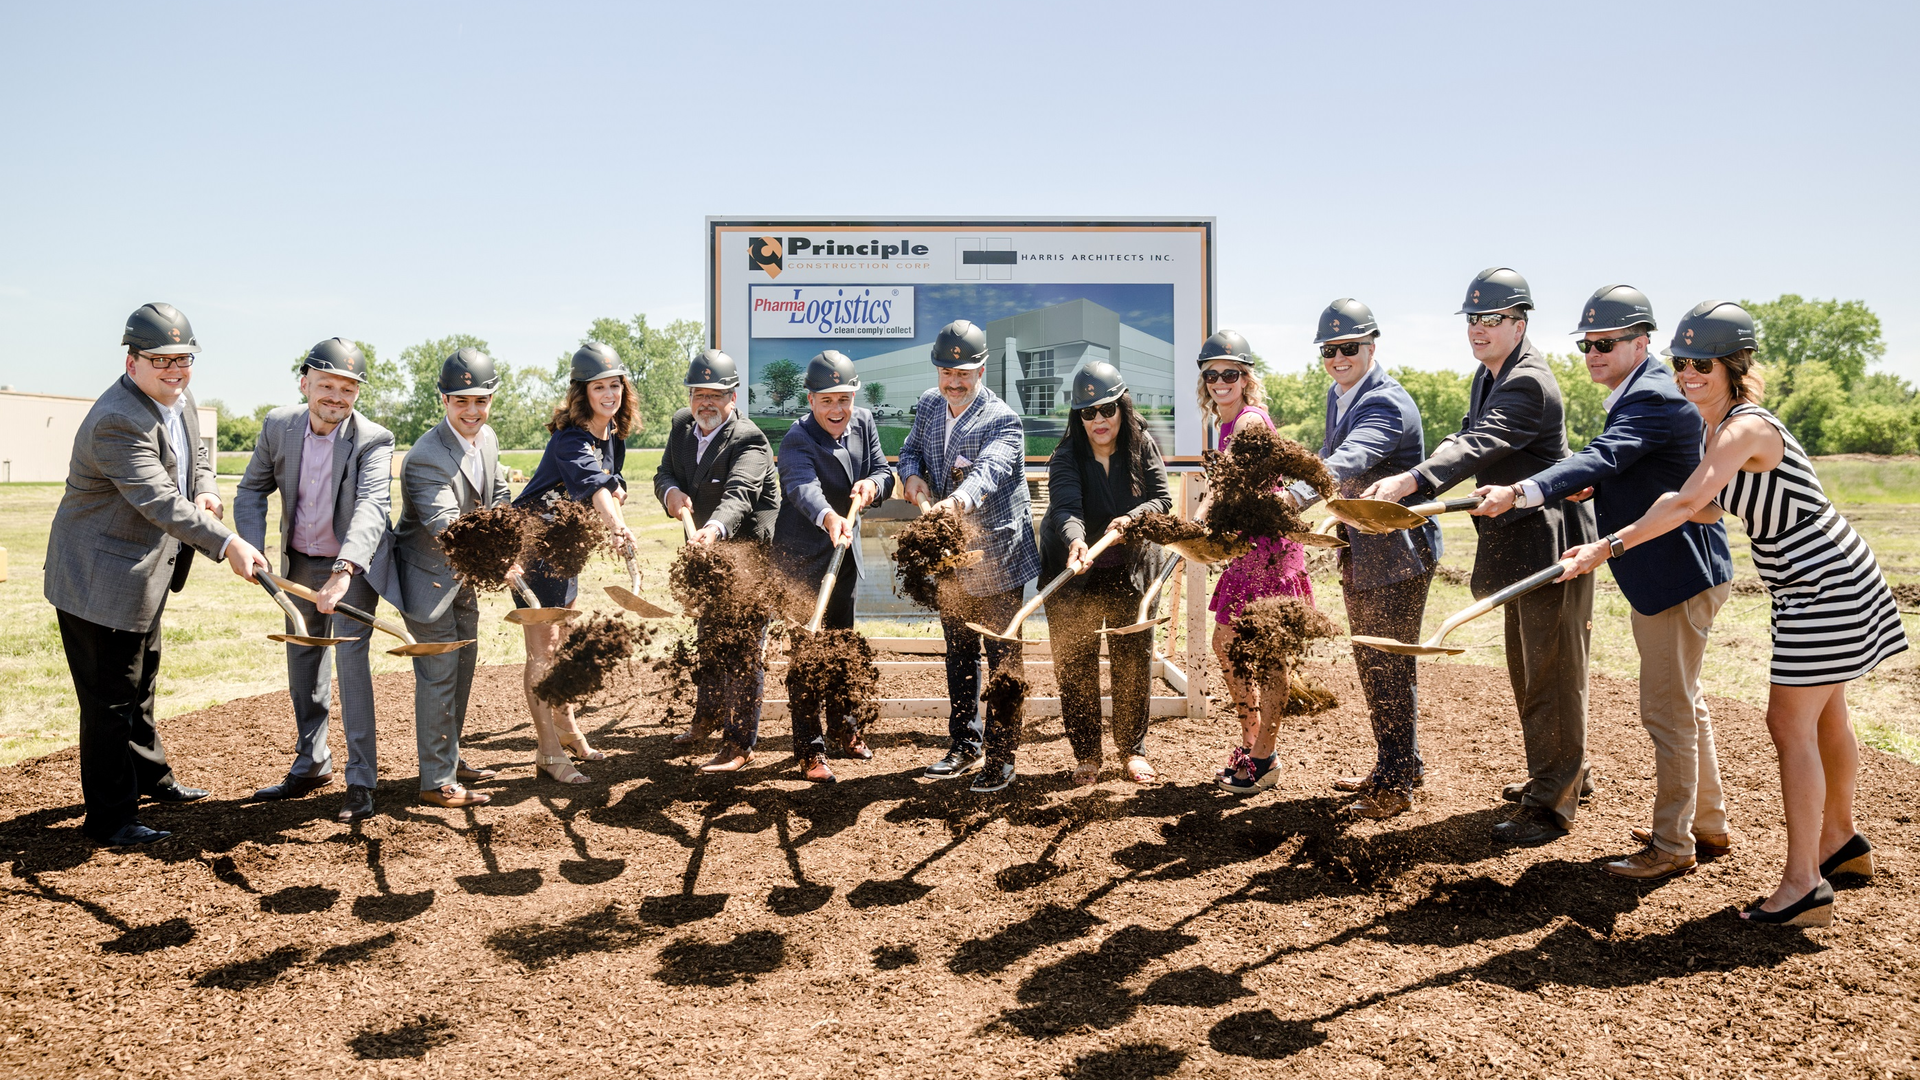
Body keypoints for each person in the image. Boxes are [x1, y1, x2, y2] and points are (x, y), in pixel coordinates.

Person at [1558, 301, 1907, 926]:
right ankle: (1842, 842)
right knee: (1827, 716)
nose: (1688, 374)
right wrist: (1616, 501)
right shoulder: (1714, 428)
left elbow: (1690, 498)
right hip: (1809, 582)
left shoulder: (1744, 427)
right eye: (1681, 361)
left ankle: (1803, 885)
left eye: (1702, 364)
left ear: (1734, 367)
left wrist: (1607, 545)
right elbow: (1708, 510)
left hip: (1824, 581)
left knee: (1788, 725)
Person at [1473, 286, 1734, 879]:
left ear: (1641, 343)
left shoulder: (1651, 394)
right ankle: (1708, 824)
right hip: (1678, 568)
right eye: (1587, 343)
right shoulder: (1640, 391)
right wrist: (1602, 488)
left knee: (1666, 712)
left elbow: (1609, 454)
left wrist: (1523, 489)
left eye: (1606, 342)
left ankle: (1672, 845)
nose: (1593, 353)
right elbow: (1628, 466)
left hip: (1674, 572)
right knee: (1685, 704)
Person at [1363, 268, 1598, 844]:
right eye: (1472, 319)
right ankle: (1562, 774)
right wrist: (1416, 480)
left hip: (1550, 537)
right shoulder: (1490, 374)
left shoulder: (1528, 383)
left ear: (1520, 323)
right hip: (1517, 537)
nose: (1478, 329)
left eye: (1491, 319)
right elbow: (1466, 438)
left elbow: (1478, 443)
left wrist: (1410, 481)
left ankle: (1550, 805)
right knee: (1530, 666)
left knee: (1550, 671)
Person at [44, 302, 272, 846]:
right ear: (132, 362)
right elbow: (159, 502)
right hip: (99, 580)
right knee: (109, 704)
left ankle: (153, 780)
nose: (175, 370)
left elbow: (197, 463)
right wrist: (230, 543)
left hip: (142, 575)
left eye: (183, 358)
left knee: (140, 683)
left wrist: (210, 490)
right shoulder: (117, 420)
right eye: (161, 360)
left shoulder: (181, 398)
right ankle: (111, 819)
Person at [1282, 301, 1438, 819]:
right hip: (1363, 548)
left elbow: (1350, 458)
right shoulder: (1340, 393)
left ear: (1372, 346)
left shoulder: (1385, 404)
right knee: (1373, 663)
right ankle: (1399, 764)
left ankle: (1395, 787)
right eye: (1330, 350)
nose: (1338, 357)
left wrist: (1295, 496)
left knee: (1388, 663)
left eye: (1349, 347)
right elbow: (1334, 453)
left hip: (1397, 552)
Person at [235, 338, 397, 822]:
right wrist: (250, 547)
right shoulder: (278, 425)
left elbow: (372, 508)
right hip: (301, 560)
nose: (336, 397)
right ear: (305, 383)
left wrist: (345, 571)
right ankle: (312, 763)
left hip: (355, 565)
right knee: (304, 660)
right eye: (326, 385)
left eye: (347, 389)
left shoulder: (374, 439)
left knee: (349, 665)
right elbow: (250, 489)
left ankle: (361, 779)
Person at [895, 320, 1040, 792]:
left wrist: (952, 506)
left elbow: (988, 472)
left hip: (998, 554)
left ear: (982, 369)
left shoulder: (1002, 420)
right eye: (946, 371)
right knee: (958, 653)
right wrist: (913, 479)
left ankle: (1002, 754)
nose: (954, 382)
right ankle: (965, 744)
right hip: (950, 559)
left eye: (965, 372)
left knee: (1002, 658)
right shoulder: (930, 405)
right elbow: (911, 450)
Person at [390, 348, 514, 809]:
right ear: (443, 400)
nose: (472, 410)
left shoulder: (488, 439)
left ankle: (450, 759)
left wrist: (507, 534)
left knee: (463, 669)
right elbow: (449, 527)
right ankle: (435, 781)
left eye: (480, 400)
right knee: (440, 673)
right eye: (461, 401)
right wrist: (502, 560)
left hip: (464, 577)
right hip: (429, 581)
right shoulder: (425, 456)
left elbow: (498, 493)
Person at [510, 341, 638, 784]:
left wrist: (616, 494)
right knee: (543, 654)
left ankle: (566, 730)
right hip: (534, 550)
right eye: (598, 387)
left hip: (564, 550)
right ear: (581, 392)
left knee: (561, 645)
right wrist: (617, 526)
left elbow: (609, 480)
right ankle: (547, 752)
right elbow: (595, 487)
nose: (609, 395)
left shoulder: (611, 434)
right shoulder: (570, 439)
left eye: (614, 385)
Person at [1039, 362, 1173, 787]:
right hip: (1074, 569)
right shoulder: (1065, 455)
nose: (1099, 419)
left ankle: (1132, 751)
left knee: (1132, 663)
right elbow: (1064, 508)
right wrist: (1077, 540)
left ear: (1122, 406)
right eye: (1088, 412)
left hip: (1129, 570)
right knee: (1076, 666)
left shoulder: (1142, 443)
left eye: (1108, 408)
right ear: (1078, 418)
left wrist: (1129, 520)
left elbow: (1162, 500)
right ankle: (1088, 755)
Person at [1194, 329, 1315, 796]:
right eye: (1212, 375)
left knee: (1264, 654)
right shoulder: (1223, 425)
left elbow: (1223, 486)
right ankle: (1251, 743)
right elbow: (1221, 489)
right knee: (1226, 644)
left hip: (1271, 550)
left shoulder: (1249, 422)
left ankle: (1264, 755)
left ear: (1246, 378)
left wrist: (1198, 524)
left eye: (1231, 373)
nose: (1220, 381)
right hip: (1247, 548)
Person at [652, 349, 781, 772]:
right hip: (707, 561)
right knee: (709, 640)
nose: (705, 403)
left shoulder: (750, 440)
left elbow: (739, 495)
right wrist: (670, 494)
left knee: (742, 650)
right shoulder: (681, 426)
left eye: (716, 394)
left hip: (748, 559)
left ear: (733, 395)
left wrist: (713, 529)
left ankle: (739, 745)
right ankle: (705, 718)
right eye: (698, 393)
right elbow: (665, 473)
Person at [772, 351, 895, 783]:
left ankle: (847, 730)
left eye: (844, 399)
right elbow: (800, 487)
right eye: (827, 401)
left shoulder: (862, 422)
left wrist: (873, 485)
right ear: (811, 401)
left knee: (842, 648)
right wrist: (829, 517)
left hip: (843, 557)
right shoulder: (796, 439)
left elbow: (883, 470)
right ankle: (810, 750)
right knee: (807, 656)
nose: (837, 410)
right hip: (802, 559)